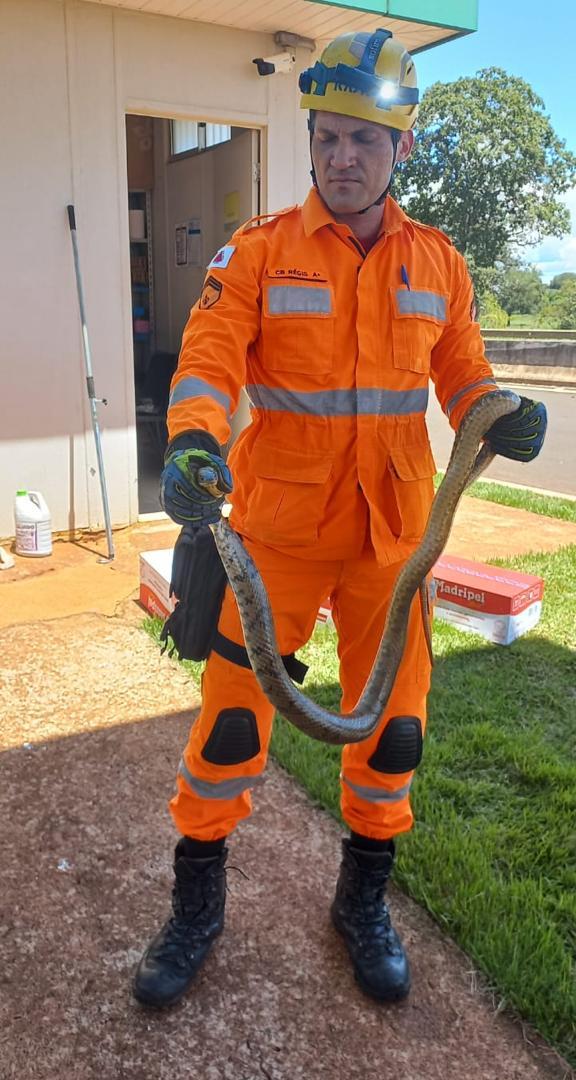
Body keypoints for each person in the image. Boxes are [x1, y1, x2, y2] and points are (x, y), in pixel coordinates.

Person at [133, 28, 547, 1008]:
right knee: (232, 726)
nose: (341, 155)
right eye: (327, 137)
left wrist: (504, 415)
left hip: (394, 550)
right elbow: (210, 358)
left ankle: (362, 901)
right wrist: (194, 440)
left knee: (394, 730)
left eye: (364, 138)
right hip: (273, 539)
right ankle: (198, 903)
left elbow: (465, 377)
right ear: (312, 141)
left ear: (402, 149)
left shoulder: (439, 264)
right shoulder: (262, 251)